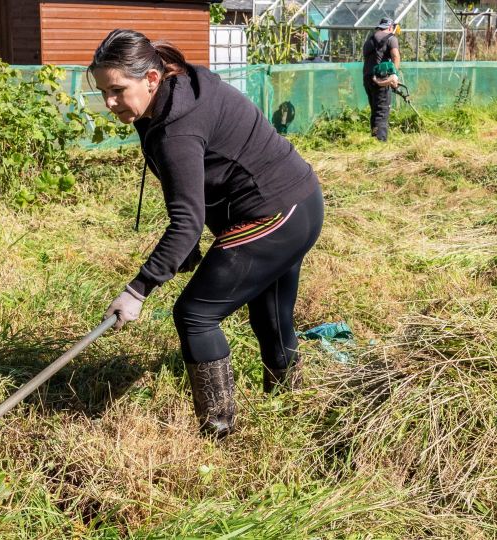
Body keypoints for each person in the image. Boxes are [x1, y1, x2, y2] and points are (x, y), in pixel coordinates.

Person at [91, 29, 324, 439]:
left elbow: (185, 219)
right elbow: (184, 188)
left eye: (116, 90)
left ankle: (219, 433)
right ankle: (288, 406)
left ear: (150, 78)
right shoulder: (170, 93)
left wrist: (138, 290)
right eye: (103, 91)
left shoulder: (177, 126)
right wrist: (189, 248)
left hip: (274, 215)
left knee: (195, 315)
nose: (109, 103)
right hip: (299, 201)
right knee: (269, 313)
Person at [362, 17, 401, 142]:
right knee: (382, 111)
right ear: (390, 27)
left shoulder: (369, 40)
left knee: (375, 110)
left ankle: (374, 139)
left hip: (368, 78)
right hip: (381, 79)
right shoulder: (391, 38)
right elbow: (395, 56)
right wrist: (394, 76)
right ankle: (380, 142)